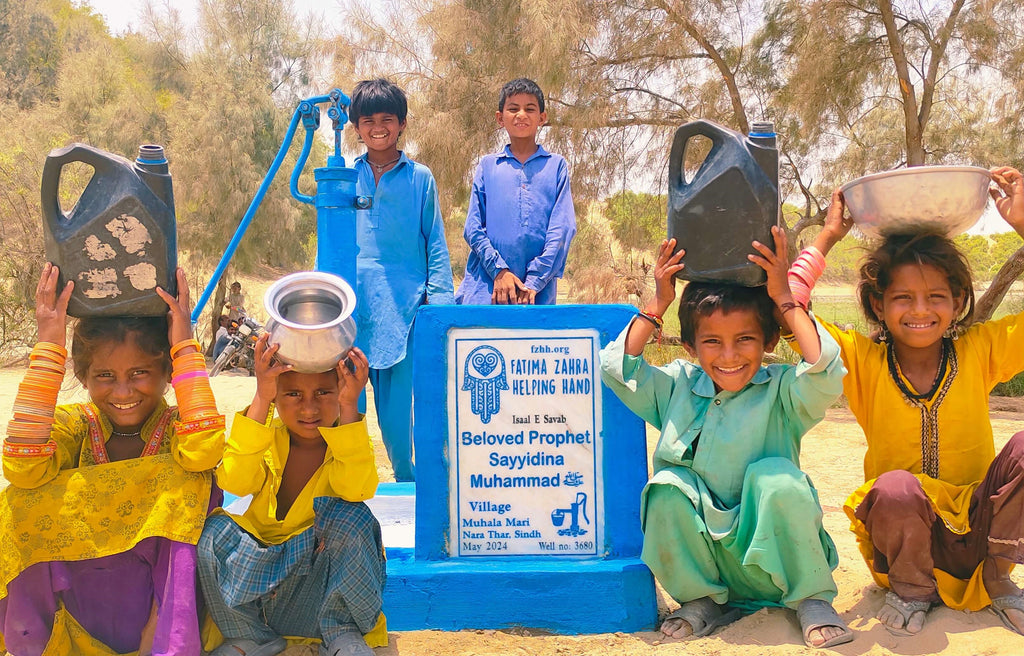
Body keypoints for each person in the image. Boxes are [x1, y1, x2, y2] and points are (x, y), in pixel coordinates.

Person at [788, 166, 1024, 636]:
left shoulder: (980, 350)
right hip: (899, 541)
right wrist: (828, 237)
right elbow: (788, 312)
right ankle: (912, 589)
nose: (920, 310)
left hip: (977, 536)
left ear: (958, 302)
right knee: (895, 486)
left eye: (936, 296)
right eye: (902, 297)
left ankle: (997, 579)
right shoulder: (861, 360)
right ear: (878, 305)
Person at [599, 228, 853, 648]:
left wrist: (785, 299)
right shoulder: (676, 387)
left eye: (745, 340)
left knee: (778, 478)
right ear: (690, 347)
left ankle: (811, 600)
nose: (729, 356)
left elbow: (825, 370)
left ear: (769, 341)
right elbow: (617, 368)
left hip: (776, 566)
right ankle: (703, 601)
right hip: (713, 570)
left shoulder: (783, 391)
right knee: (666, 488)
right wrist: (659, 302)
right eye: (712, 342)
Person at [0, 265, 225, 656]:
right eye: (105, 375)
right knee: (19, 500)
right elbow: (22, 467)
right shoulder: (78, 425)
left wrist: (184, 345)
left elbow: (204, 450)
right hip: (81, 608)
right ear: (84, 377)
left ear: (166, 373)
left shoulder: (176, 428)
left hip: (156, 614)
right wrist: (49, 346)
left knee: (193, 482)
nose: (123, 391)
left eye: (140, 372)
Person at [197, 334, 386, 656]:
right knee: (214, 531)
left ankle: (343, 633)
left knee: (353, 517)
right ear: (275, 397)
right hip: (264, 587)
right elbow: (235, 481)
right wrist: (260, 398)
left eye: (323, 392)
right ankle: (249, 636)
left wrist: (349, 407)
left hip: (319, 588)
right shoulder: (266, 436)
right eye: (293, 393)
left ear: (341, 390)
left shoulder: (346, 441)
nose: (309, 408)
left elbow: (357, 489)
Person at [349, 77, 456, 481]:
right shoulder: (342, 178)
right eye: (368, 120)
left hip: (404, 312)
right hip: (352, 314)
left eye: (387, 119)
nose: (378, 127)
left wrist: (439, 312)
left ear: (402, 124)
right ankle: (348, 496)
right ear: (356, 127)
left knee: (398, 425)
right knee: (347, 416)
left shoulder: (420, 178)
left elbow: (436, 243)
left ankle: (410, 490)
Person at [455, 77, 576, 306]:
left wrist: (533, 281)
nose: (521, 114)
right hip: (487, 290)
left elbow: (562, 229)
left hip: (535, 296)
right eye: (513, 109)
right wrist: (499, 271)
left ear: (542, 117)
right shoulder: (488, 166)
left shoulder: (556, 166)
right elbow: (472, 227)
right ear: (500, 118)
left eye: (530, 109)